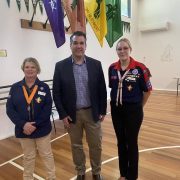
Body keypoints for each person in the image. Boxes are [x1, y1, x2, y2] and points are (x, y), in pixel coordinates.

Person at [53, 31, 107, 180]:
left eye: (81, 43)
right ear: (70, 46)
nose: (78, 46)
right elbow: (56, 94)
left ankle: (96, 172)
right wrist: (63, 115)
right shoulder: (60, 66)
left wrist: (103, 110)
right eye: (75, 43)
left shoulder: (96, 65)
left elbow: (102, 89)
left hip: (92, 112)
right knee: (76, 146)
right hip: (72, 115)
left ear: (85, 46)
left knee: (96, 145)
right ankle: (80, 172)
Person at [108, 38, 152, 180]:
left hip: (133, 110)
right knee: (120, 141)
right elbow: (112, 87)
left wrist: (139, 107)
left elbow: (147, 91)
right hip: (116, 109)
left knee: (131, 142)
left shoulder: (140, 68)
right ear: (116, 51)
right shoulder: (112, 68)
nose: (122, 51)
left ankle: (132, 176)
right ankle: (122, 173)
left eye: (125, 48)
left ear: (130, 49)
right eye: (119, 49)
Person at [6, 57, 56, 180]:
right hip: (23, 130)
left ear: (37, 69)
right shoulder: (15, 87)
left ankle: (52, 178)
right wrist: (24, 125)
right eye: (27, 67)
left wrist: (35, 125)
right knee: (28, 157)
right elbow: (10, 109)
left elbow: (47, 109)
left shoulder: (44, 87)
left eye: (33, 67)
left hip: (42, 129)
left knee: (46, 155)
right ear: (23, 69)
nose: (30, 69)